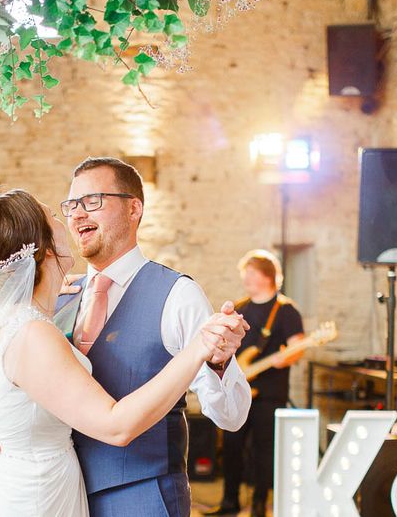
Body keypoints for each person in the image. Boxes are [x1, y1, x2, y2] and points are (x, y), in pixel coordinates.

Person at [0, 189, 244, 516]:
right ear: (41, 247)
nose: (68, 219)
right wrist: (198, 347)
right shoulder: (31, 332)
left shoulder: (5, 320)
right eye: (54, 216)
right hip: (31, 494)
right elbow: (116, 425)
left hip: (10, 481)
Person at [50, 157, 252, 516]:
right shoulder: (60, 297)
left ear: (134, 208)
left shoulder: (177, 294)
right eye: (72, 205)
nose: (78, 214)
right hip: (63, 494)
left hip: (143, 497)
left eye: (92, 201)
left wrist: (219, 362)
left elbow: (231, 417)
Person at [205, 249, 305, 517]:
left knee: (264, 451)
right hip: (238, 391)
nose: (245, 278)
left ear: (267, 276)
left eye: (251, 273)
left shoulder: (286, 311)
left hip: (270, 394)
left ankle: (260, 504)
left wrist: (286, 358)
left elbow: (298, 347)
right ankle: (230, 502)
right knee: (232, 448)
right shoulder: (241, 307)